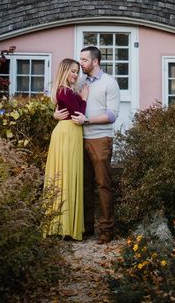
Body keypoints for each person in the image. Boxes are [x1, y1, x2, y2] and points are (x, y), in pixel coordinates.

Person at [56, 45, 120, 244]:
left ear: (95, 61)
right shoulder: (80, 81)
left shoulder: (110, 83)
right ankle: (86, 227)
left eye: (84, 60)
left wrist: (87, 120)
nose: (80, 63)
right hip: (77, 139)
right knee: (82, 185)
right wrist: (55, 114)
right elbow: (65, 102)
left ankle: (106, 230)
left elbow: (112, 115)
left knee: (103, 185)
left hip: (100, 139)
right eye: (80, 60)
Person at [43, 58, 89, 241]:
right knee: (67, 176)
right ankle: (64, 227)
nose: (75, 74)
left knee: (66, 176)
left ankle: (61, 225)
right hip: (68, 132)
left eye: (77, 71)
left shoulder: (64, 91)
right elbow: (78, 114)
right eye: (72, 71)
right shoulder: (65, 91)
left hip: (68, 132)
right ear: (64, 71)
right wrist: (84, 99)